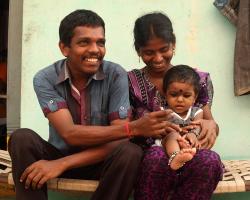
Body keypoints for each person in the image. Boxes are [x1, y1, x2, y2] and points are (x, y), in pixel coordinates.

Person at [8, 10, 175, 200]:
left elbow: (120, 138)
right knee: (21, 138)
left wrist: (62, 164)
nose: (95, 49)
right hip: (57, 157)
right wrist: (134, 128)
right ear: (64, 48)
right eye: (84, 42)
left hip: (101, 160)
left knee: (130, 151)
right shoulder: (45, 78)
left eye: (100, 42)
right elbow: (69, 134)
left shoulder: (116, 74)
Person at [128, 12, 223, 200]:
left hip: (189, 149)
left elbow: (209, 122)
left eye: (164, 49)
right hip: (151, 153)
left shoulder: (197, 80)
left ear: (174, 45)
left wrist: (209, 127)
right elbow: (127, 128)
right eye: (148, 52)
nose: (158, 58)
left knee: (210, 161)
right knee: (155, 158)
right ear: (138, 51)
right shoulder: (129, 82)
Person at [155, 65, 206, 170]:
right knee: (173, 135)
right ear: (165, 95)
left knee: (193, 139)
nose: (180, 100)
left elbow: (197, 126)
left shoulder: (196, 112)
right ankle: (175, 157)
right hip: (167, 143)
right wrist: (180, 131)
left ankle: (185, 153)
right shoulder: (163, 112)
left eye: (186, 96)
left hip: (187, 143)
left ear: (195, 98)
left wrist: (192, 134)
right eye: (174, 95)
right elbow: (163, 129)